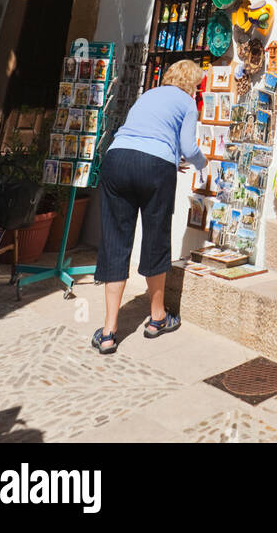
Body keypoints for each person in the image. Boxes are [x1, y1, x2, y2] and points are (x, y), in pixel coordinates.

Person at [92, 59, 207, 354]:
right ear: (192, 84)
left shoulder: (149, 94)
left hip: (117, 159)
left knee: (115, 241)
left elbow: (142, 133)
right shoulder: (188, 102)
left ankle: (108, 331)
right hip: (156, 168)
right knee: (156, 237)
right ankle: (157, 318)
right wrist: (202, 164)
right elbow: (189, 147)